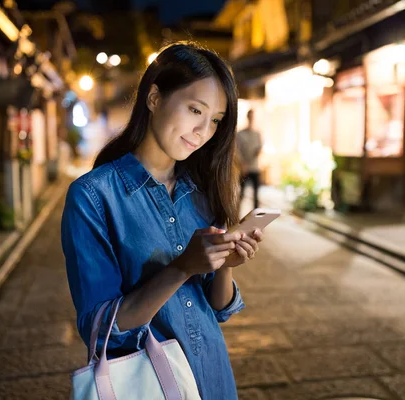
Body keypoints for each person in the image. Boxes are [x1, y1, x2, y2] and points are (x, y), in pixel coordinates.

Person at [61, 42, 263, 400]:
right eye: (194, 109)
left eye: (215, 120)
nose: (203, 130)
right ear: (154, 97)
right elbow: (100, 328)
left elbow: (218, 310)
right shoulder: (93, 196)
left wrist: (225, 265)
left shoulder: (201, 191)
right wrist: (183, 267)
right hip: (148, 383)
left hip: (213, 377)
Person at [236, 109, 263, 208]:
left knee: (256, 196)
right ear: (247, 117)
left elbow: (259, 149)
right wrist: (242, 165)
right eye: (250, 116)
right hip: (244, 169)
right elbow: (237, 152)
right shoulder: (240, 134)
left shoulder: (257, 134)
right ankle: (236, 219)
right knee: (241, 195)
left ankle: (256, 219)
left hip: (255, 168)